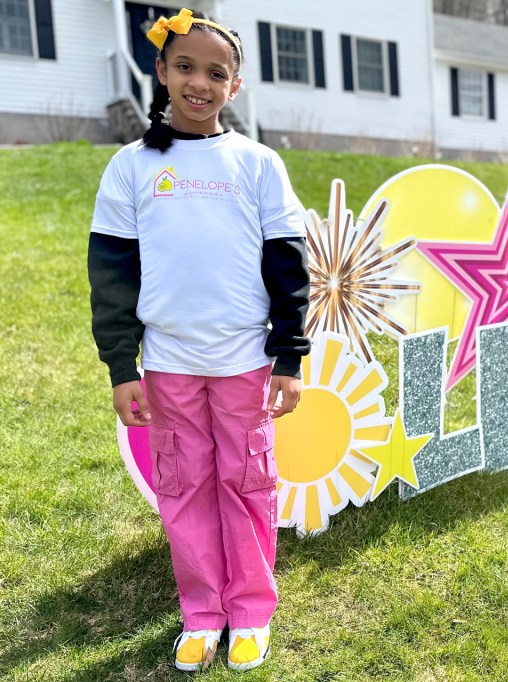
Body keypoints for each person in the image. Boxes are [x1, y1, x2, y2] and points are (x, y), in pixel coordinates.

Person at [88, 7, 310, 672]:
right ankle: (202, 612)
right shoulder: (129, 168)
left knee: (247, 484)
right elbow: (112, 275)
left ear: (234, 86)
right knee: (184, 487)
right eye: (184, 66)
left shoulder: (259, 164)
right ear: (160, 70)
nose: (199, 83)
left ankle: (248, 613)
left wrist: (290, 355)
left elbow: (288, 268)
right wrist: (121, 367)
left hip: (244, 363)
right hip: (168, 366)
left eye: (217, 73)